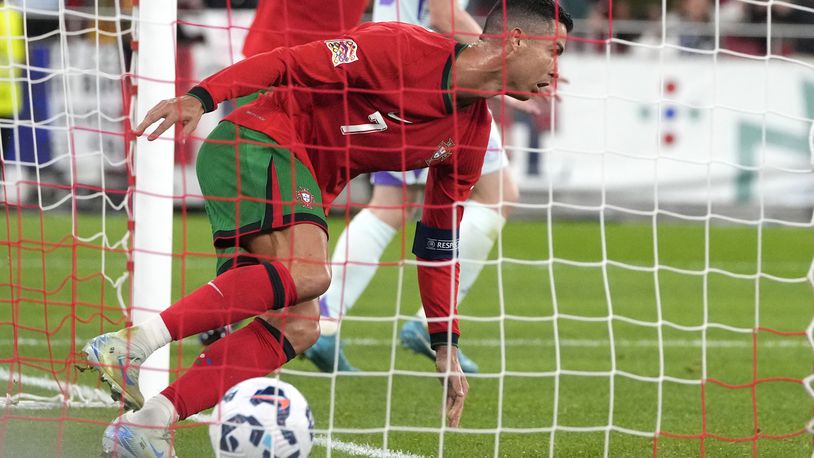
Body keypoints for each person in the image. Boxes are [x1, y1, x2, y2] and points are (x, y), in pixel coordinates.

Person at [79, 0, 572, 454]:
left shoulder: (471, 136)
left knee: (299, 325)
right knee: (311, 274)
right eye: (555, 51)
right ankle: (131, 345)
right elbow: (288, 62)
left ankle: (147, 422)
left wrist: (445, 341)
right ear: (514, 41)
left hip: (289, 178)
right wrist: (202, 98)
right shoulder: (402, 47)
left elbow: (438, 243)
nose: (557, 70)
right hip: (255, 142)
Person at [306, 0, 531, 374]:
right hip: (433, 85)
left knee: (391, 205)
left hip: (399, 73)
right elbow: (444, 16)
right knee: (496, 195)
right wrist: (511, 68)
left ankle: (325, 322)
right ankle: (430, 319)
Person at [196, 0, 370, 346]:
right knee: (271, 212)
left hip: (324, 80)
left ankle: (226, 311)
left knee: (277, 212)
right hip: (281, 69)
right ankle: (228, 315)